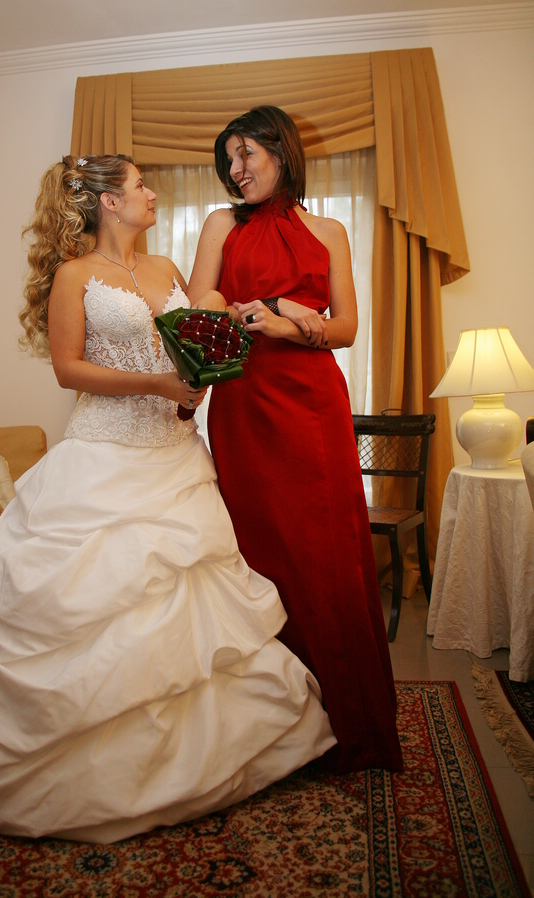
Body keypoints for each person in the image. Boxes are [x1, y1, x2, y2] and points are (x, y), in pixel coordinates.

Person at [0, 153, 336, 844]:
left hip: (175, 457)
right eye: (139, 185)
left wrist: (200, 380)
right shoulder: (75, 275)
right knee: (90, 605)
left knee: (190, 613)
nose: (150, 194)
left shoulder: (168, 270)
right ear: (107, 201)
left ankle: (198, 759)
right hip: (103, 456)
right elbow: (68, 367)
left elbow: (193, 341)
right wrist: (156, 385)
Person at [187, 106, 403, 772]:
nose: (236, 169)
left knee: (326, 549)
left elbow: (347, 329)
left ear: (281, 151)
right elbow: (196, 313)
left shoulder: (330, 231)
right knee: (259, 548)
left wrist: (288, 321)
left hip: (313, 406)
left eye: (246, 153)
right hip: (245, 404)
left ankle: (348, 717)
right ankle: (272, 724)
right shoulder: (221, 224)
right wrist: (246, 315)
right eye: (228, 159)